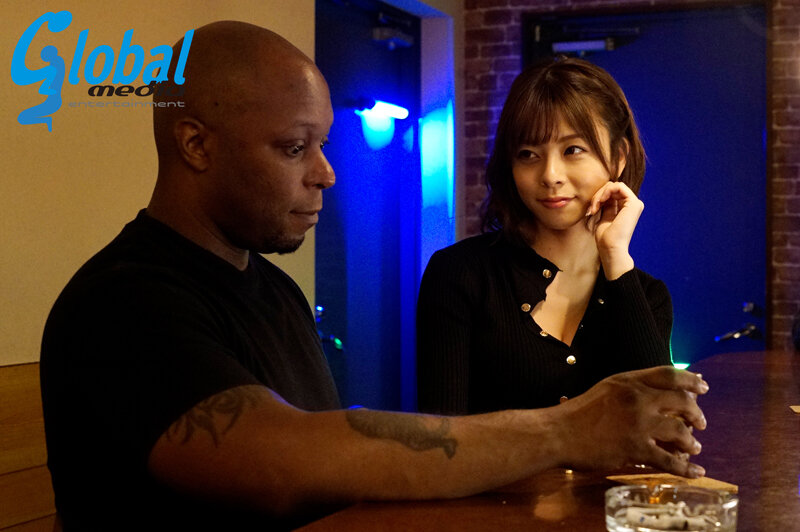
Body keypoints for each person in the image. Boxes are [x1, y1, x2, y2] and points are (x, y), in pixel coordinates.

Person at [40, 22, 707, 532]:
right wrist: (568, 429)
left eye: (322, 145)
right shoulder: (123, 300)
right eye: (295, 147)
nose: (326, 172)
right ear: (196, 144)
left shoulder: (274, 292)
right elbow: (285, 464)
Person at [417, 57, 672, 415]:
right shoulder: (460, 274)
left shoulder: (647, 296)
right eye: (528, 154)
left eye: (573, 150)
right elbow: (441, 435)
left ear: (618, 157)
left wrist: (615, 255)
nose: (550, 175)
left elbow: (661, 417)